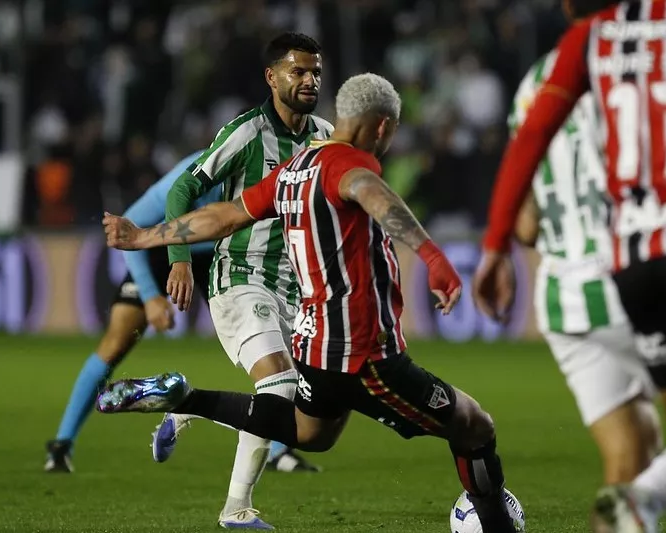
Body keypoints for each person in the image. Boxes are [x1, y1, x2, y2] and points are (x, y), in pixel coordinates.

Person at [97, 73, 520, 533]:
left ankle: (188, 399)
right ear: (381, 128)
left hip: (315, 347)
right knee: (475, 427)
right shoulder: (349, 165)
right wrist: (433, 257)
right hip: (365, 354)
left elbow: (224, 216)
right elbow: (370, 192)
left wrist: (144, 236)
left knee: (310, 434)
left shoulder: (294, 169)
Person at [473, 0, 666, 531]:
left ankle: (631, 505)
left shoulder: (546, 72)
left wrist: (496, 245)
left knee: (630, 457)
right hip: (663, 253)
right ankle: (652, 502)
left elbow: (527, 198)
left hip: (572, 287)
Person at [154, 32, 333, 529]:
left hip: (297, 290)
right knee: (277, 383)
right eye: (298, 71)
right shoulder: (247, 133)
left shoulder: (325, 136)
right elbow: (185, 187)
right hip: (240, 276)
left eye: (315, 72)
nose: (309, 80)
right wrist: (180, 257)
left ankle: (185, 404)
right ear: (272, 77)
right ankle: (236, 510)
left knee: (294, 407)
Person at [508, 49, 661, 531]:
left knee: (630, 455)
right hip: (635, 280)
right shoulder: (640, 62)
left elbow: (526, 225)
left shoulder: (534, 81)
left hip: (565, 295)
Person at [45, 150, 211, 474]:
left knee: (259, 342)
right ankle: (62, 444)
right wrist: (150, 298)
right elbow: (130, 227)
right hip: (160, 251)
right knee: (116, 342)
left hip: (217, 252)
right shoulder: (189, 175)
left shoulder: (263, 168)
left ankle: (277, 448)